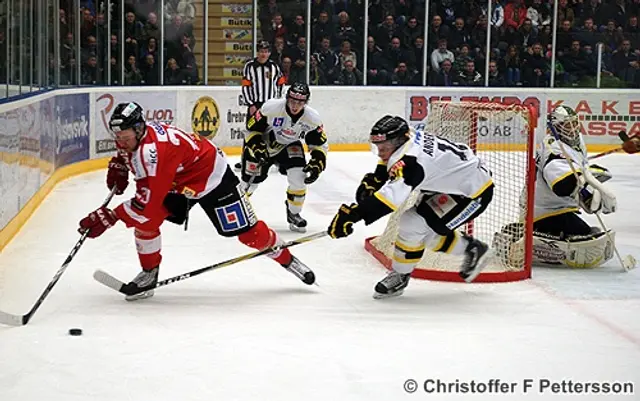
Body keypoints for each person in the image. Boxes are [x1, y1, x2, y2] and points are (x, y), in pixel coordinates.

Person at [78, 102, 315, 301]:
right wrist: (119, 163)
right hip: (179, 181)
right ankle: (149, 274)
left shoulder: (153, 153)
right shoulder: (139, 137)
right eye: (117, 137)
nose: (121, 142)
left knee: (248, 234)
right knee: (147, 222)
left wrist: (110, 216)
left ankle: (287, 258)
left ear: (139, 129)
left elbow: (146, 204)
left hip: (213, 177)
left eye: (125, 137)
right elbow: (139, 179)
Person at [327, 115, 494, 299]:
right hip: (454, 181)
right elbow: (389, 162)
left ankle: (403, 274)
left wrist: (353, 215)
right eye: (377, 147)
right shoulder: (408, 138)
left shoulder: (411, 164)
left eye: (384, 148)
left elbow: (389, 200)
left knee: (416, 226)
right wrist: (378, 178)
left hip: (473, 192)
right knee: (418, 229)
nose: (380, 152)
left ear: (397, 141)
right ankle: (471, 249)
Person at [494, 105, 618, 269]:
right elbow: (562, 186)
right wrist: (589, 182)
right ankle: (525, 241)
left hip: (557, 206)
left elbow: (576, 176)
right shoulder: (553, 150)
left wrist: (587, 192)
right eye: (567, 125)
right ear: (557, 128)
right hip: (544, 209)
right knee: (581, 234)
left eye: (574, 123)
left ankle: (529, 232)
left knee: (585, 232)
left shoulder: (576, 141)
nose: (573, 129)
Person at [242, 82, 328, 233]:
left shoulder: (313, 119)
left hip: (289, 145)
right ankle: (238, 209)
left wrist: (317, 162)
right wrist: (256, 147)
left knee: (299, 178)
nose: (295, 106)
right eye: (292, 101)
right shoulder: (271, 108)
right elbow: (251, 130)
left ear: (306, 102)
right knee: (250, 182)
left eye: (300, 102)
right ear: (287, 98)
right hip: (264, 143)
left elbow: (319, 144)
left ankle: (294, 213)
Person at [234, 40, 285, 172]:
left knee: (275, 132)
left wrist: (279, 101)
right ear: (257, 52)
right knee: (251, 132)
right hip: (255, 105)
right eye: (261, 51)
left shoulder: (274, 66)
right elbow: (246, 86)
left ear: (269, 52)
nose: (264, 54)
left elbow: (280, 83)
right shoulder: (249, 66)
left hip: (271, 105)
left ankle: (278, 160)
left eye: (266, 51)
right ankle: (245, 160)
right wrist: (250, 104)